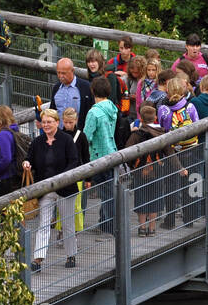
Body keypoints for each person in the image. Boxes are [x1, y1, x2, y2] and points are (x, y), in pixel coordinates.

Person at [23, 109, 80, 270]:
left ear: (57, 122)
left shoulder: (67, 140)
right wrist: (27, 164)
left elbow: (74, 161)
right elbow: (29, 158)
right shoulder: (37, 142)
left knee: (67, 223)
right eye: (44, 122)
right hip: (45, 188)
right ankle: (38, 259)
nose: (46, 125)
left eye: (50, 122)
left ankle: (71, 255)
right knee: (44, 223)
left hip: (65, 188)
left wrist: (61, 178)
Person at [127, 104, 182, 236]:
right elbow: (170, 153)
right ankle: (152, 228)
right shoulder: (161, 134)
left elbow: (127, 151)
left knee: (141, 197)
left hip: (140, 171)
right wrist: (180, 168)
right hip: (157, 170)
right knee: (155, 198)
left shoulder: (137, 134)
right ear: (155, 118)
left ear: (141, 119)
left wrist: (132, 167)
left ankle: (142, 228)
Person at [157, 77, 201, 228]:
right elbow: (197, 125)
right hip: (191, 150)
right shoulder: (190, 106)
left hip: (171, 153)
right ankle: (189, 219)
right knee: (190, 184)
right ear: (183, 91)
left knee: (170, 186)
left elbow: (162, 128)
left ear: (167, 91)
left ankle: (170, 220)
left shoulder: (163, 109)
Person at [83, 76, 120, 232]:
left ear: (93, 91)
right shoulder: (112, 108)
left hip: (98, 156)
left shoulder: (94, 112)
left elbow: (86, 136)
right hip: (112, 152)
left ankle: (110, 226)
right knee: (109, 191)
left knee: (106, 194)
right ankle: (104, 222)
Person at [56, 107, 90, 235]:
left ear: (75, 121)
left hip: (77, 175)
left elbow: (86, 157)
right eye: (66, 122)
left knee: (76, 206)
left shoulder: (81, 136)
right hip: (62, 174)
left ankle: (75, 231)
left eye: (71, 122)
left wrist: (88, 178)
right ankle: (61, 230)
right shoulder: (58, 135)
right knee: (61, 205)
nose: (68, 125)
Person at [48, 57, 94, 132]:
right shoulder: (56, 88)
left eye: (63, 73)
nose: (60, 76)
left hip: (78, 134)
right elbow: (52, 111)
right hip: (59, 133)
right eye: (58, 73)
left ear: (72, 71)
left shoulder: (85, 87)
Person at [0, 105, 24, 196]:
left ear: (1, 119)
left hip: (8, 177)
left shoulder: (3, 135)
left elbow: (6, 158)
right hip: (14, 175)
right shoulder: (11, 130)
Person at [86, 48, 128, 116]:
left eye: (93, 61)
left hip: (108, 115)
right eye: (89, 62)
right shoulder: (92, 77)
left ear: (99, 61)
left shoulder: (110, 76)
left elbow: (111, 100)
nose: (91, 64)